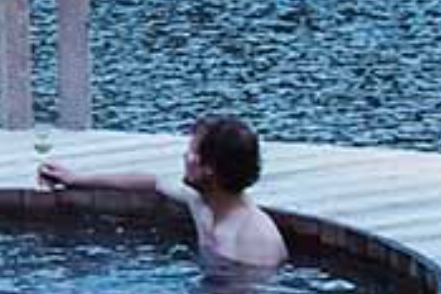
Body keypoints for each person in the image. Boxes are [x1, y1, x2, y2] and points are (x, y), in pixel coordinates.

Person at [39, 114, 287, 270]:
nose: (184, 156)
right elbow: (151, 181)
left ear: (208, 169)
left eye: (192, 152)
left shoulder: (254, 238)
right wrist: (76, 179)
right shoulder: (201, 202)